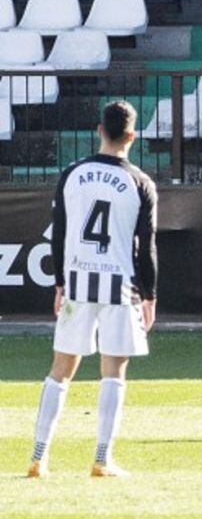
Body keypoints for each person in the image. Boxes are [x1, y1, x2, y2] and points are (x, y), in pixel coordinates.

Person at [28, 101, 158, 479]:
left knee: (60, 370)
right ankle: (102, 458)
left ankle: (39, 456)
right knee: (114, 371)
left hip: (78, 283)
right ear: (132, 136)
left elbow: (60, 233)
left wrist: (59, 282)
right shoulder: (140, 183)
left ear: (99, 130)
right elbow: (147, 246)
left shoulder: (72, 173)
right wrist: (149, 295)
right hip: (120, 286)